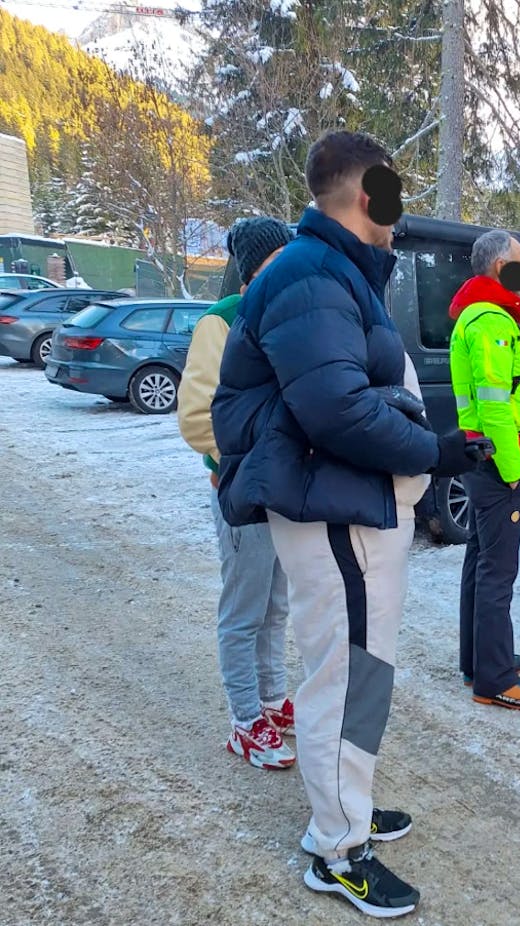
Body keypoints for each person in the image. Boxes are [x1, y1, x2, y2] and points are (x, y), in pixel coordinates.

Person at [211, 130, 481, 918]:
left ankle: (342, 811)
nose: (399, 215)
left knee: (360, 671)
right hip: (335, 509)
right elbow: (335, 408)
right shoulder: (313, 274)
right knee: (348, 673)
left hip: (351, 505)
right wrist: (436, 451)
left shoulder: (332, 273)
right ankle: (337, 851)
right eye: (395, 197)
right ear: (370, 196)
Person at [177, 216, 296, 770]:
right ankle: (245, 720)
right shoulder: (220, 322)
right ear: (254, 267)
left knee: (275, 606)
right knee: (243, 609)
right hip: (244, 492)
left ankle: (271, 700)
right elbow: (199, 420)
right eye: (277, 259)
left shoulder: (290, 316)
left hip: (285, 494)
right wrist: (254, 467)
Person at [449, 229, 520, 710]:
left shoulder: (483, 317)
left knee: (480, 560)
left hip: (480, 458)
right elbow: (494, 406)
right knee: (497, 572)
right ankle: (495, 679)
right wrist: (512, 471)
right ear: (497, 268)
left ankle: (480, 660)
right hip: (496, 463)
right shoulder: (490, 322)